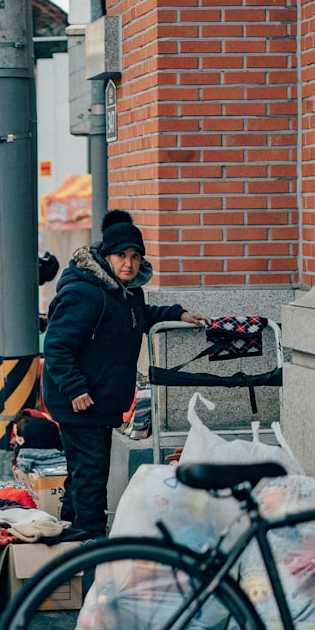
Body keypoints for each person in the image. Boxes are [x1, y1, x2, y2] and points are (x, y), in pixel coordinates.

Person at [41, 210, 209, 539]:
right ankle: (91, 545)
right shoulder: (85, 293)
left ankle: (71, 541)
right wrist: (76, 389)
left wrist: (177, 313)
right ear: (106, 256)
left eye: (135, 256)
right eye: (122, 255)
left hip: (100, 401)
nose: (129, 263)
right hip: (80, 401)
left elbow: (140, 316)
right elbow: (57, 346)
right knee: (91, 476)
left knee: (82, 474)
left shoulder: (127, 294)